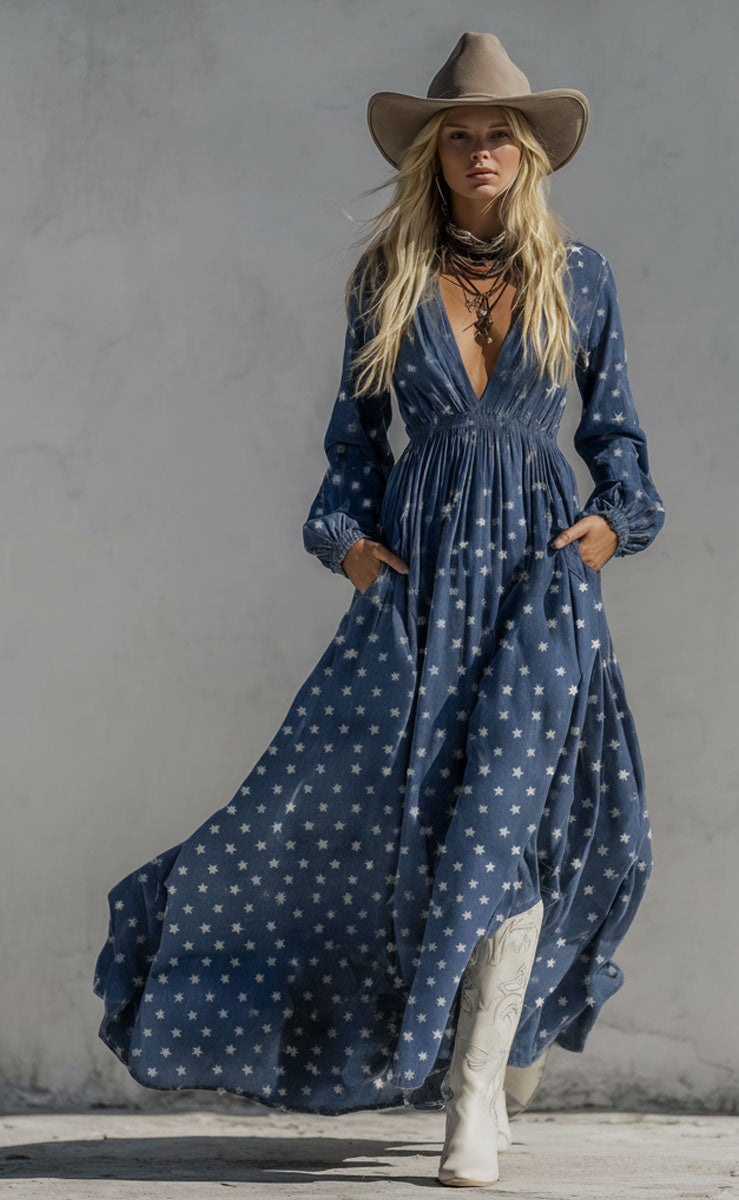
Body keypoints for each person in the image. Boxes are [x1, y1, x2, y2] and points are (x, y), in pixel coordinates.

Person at [92, 31, 666, 1188]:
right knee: (413, 829)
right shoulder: (386, 279)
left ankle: (474, 1097)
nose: (481, 149)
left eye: (499, 133)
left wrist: (611, 527)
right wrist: (349, 547)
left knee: (513, 820)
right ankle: (478, 1060)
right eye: (460, 134)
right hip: (421, 595)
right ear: (432, 154)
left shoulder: (582, 276)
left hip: (541, 588)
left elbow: (619, 444)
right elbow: (353, 447)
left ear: (528, 151)